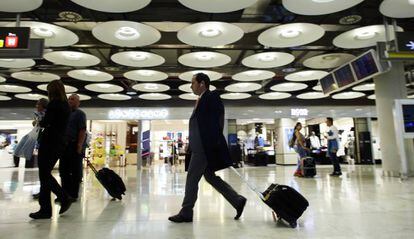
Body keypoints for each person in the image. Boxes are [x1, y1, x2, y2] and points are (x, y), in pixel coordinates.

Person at [169, 73, 247, 223]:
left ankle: (186, 211)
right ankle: (237, 200)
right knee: (210, 177)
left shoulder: (211, 97)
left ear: (202, 83)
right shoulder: (202, 99)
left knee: (192, 178)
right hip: (200, 147)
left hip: (204, 148)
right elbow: (199, 125)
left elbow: (215, 124)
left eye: (193, 83)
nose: (191, 86)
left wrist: (208, 145)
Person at [29, 80, 72, 219]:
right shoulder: (66, 105)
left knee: (44, 175)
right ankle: (48, 207)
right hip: (59, 143)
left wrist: (38, 122)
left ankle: (59, 199)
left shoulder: (54, 104)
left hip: (49, 142)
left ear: (51, 91)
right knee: (45, 174)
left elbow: (46, 122)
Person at [59, 94, 87, 202]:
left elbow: (82, 130)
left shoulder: (80, 114)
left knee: (75, 171)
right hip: (64, 146)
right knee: (63, 170)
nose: (70, 101)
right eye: (69, 99)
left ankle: (73, 194)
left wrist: (79, 145)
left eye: (73, 99)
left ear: (78, 102)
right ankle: (64, 193)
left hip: (74, 145)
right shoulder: (64, 113)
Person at [14, 98, 49, 169]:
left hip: (46, 142)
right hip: (41, 141)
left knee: (44, 166)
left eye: (38, 104)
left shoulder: (47, 115)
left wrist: (38, 123)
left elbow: (43, 125)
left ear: (43, 105)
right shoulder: (39, 115)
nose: (36, 106)